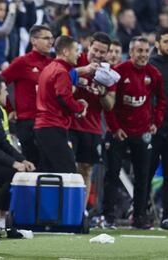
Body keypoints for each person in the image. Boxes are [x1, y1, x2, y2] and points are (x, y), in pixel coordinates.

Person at [104, 36, 166, 229]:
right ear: (130, 53)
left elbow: (162, 100)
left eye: (146, 51)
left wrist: (156, 122)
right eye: (139, 51)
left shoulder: (153, 73)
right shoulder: (118, 72)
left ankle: (139, 217)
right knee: (112, 175)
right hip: (119, 133)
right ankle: (108, 217)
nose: (143, 55)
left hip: (142, 133)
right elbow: (109, 105)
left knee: (143, 176)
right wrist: (115, 128)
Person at [0, 77, 35, 232]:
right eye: (5, 91)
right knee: (13, 172)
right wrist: (13, 163)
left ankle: (2, 216)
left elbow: (3, 142)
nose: (7, 94)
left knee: (19, 171)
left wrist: (22, 160)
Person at [70, 32, 115, 205]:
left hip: (92, 126)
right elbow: (59, 77)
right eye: (95, 49)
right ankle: (67, 210)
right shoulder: (76, 60)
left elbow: (109, 105)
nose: (98, 54)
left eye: (102, 52)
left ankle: (81, 211)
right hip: (70, 124)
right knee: (69, 168)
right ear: (89, 46)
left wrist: (103, 92)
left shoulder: (109, 73)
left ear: (107, 53)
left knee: (86, 170)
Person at [0, 25, 54, 166]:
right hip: (27, 122)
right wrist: (9, 108)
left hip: (48, 123)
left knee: (47, 166)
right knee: (31, 164)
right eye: (46, 38)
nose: (50, 42)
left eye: (52, 38)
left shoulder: (53, 64)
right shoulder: (22, 62)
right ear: (33, 40)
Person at [34, 35, 88, 173]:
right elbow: (64, 100)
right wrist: (81, 106)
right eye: (76, 50)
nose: (79, 54)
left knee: (48, 173)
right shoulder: (61, 72)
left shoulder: (49, 68)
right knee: (68, 172)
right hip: (53, 126)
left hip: (43, 127)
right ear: (65, 51)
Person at [148, 28, 168, 230]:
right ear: (157, 43)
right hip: (153, 127)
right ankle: (140, 213)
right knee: (146, 172)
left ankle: (166, 217)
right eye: (166, 41)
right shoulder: (151, 65)